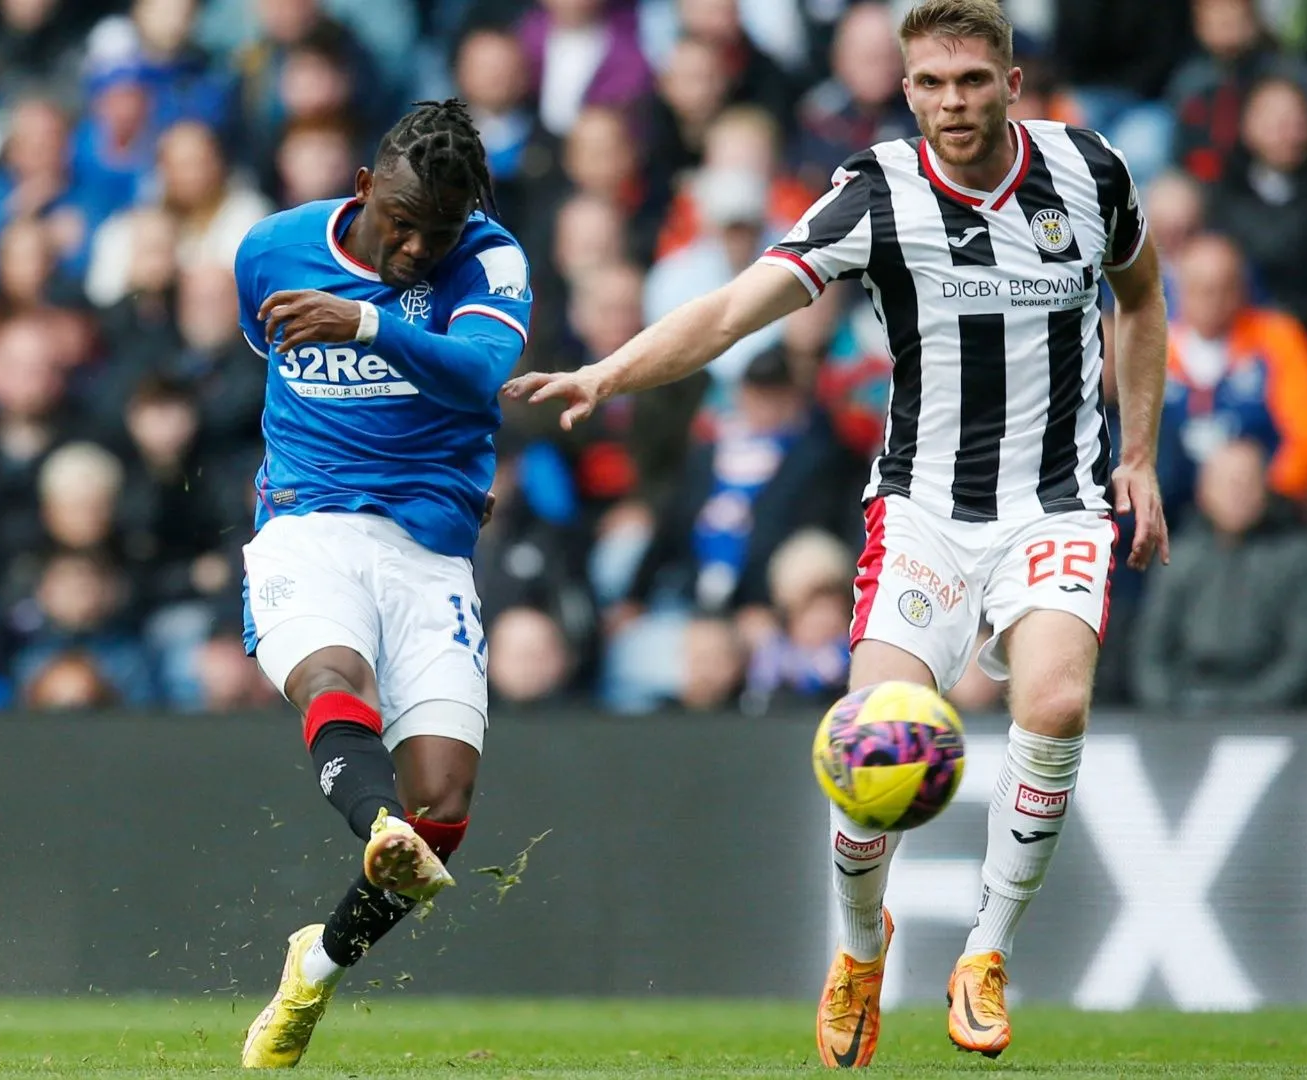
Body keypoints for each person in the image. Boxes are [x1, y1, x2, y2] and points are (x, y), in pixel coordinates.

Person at [506, 0, 1169, 1066]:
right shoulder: (877, 192)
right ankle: (862, 949)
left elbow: (1141, 296)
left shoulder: (1091, 173)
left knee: (1054, 699)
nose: (952, 103)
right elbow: (730, 312)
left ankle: (987, 952)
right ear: (905, 90)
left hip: (1058, 501)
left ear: (1010, 78)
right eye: (931, 84)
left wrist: (1137, 455)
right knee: (874, 738)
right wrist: (606, 372)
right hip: (923, 512)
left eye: (972, 80)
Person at [232, 98, 530, 1070]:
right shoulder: (272, 251)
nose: (413, 247)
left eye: (434, 232)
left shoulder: (489, 260)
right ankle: (377, 826)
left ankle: (314, 968)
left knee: (445, 805)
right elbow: (267, 360)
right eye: (399, 221)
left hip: (429, 551)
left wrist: (364, 322)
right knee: (333, 679)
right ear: (364, 187)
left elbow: (479, 374)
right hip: (306, 525)